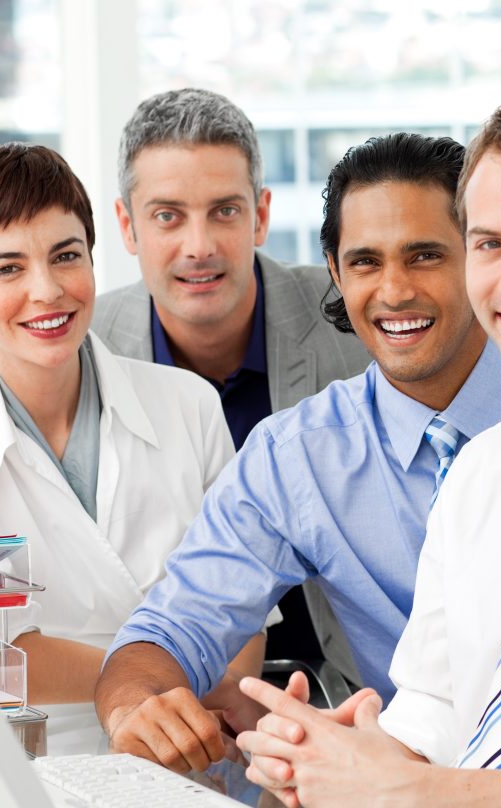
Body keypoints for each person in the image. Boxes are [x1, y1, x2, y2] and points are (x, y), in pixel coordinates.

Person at [235, 90, 501, 808]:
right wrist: (341, 755)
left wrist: (417, 790)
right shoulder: (481, 473)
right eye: (491, 243)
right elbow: (430, 711)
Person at [94, 132, 501, 773]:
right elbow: (169, 629)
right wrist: (136, 706)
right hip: (397, 781)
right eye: (364, 262)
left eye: (426, 256)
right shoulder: (297, 456)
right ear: (334, 270)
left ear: (480, 254)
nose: (394, 290)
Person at [0, 143, 263, 753]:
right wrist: (152, 684)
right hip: (36, 753)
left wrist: (201, 700)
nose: (47, 290)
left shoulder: (188, 402)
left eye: (66, 256)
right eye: (8, 268)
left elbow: (243, 603)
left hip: (197, 739)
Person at [93, 88, 371, 667]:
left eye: (225, 211)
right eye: (168, 216)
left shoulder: (354, 324)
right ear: (127, 226)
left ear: (261, 215)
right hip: (170, 688)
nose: (200, 247)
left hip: (340, 687)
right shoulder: (85, 348)